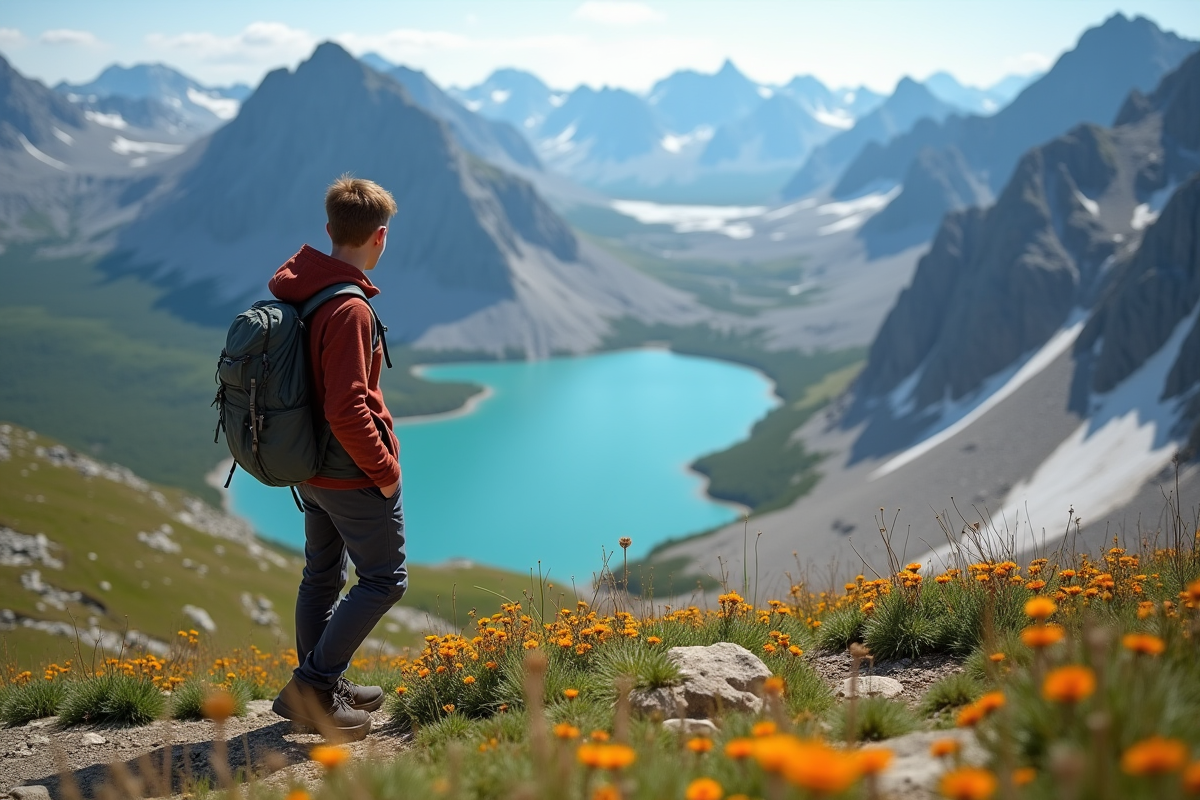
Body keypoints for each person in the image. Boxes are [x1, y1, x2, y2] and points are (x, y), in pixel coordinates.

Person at [267, 176, 405, 741]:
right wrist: (385, 472)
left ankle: (324, 685)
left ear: (329, 232)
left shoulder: (307, 289)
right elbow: (348, 407)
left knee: (322, 575)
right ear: (380, 238)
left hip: (312, 467)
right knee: (383, 578)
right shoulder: (349, 308)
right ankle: (314, 688)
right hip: (350, 471)